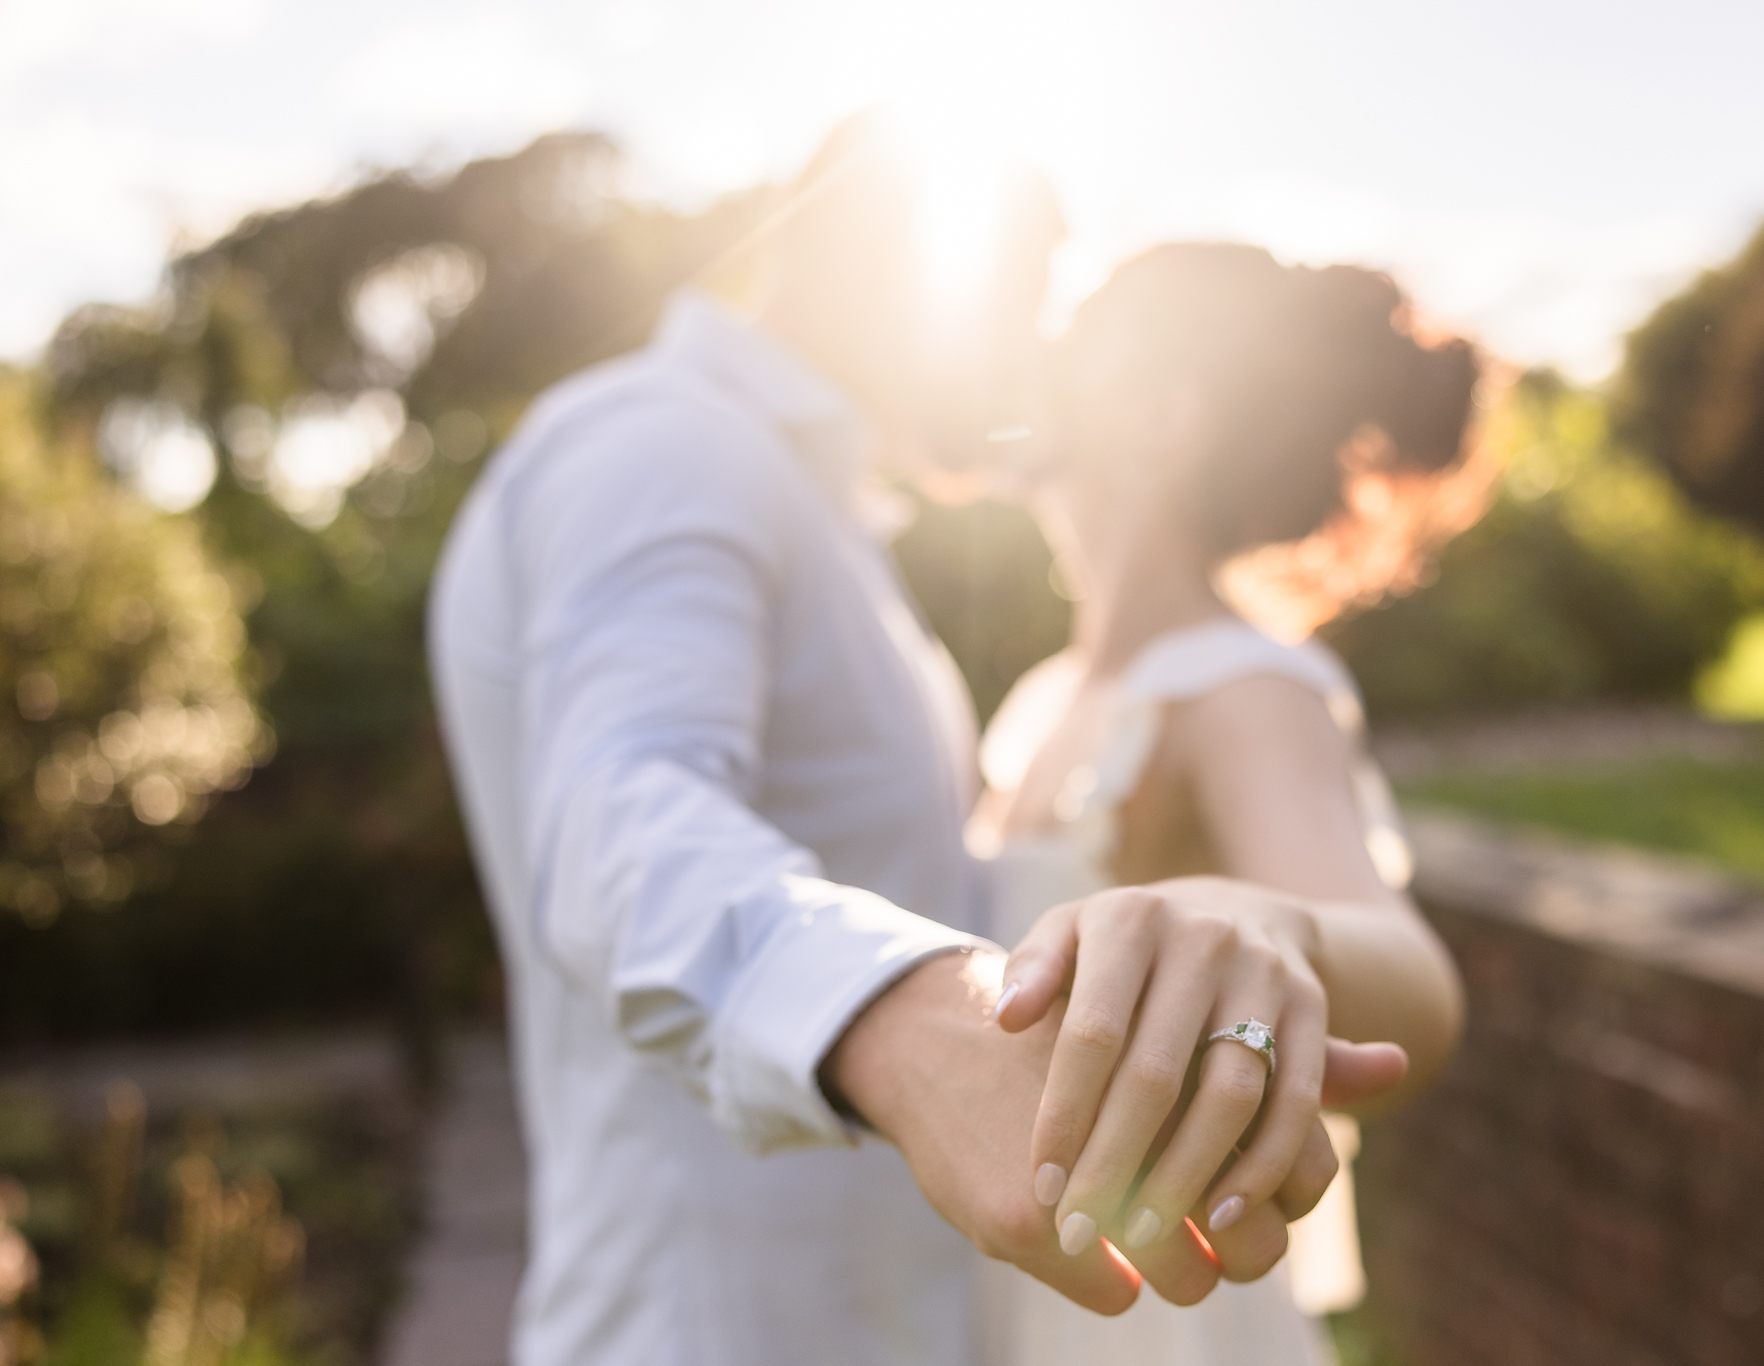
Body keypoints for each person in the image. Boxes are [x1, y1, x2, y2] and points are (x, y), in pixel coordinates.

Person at [427, 118, 1409, 1366]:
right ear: (896, 259)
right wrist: (898, 1016)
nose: (1037, 353)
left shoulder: (827, 523)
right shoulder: (663, 445)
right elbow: (620, 809)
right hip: (718, 1327)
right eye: (1032, 291)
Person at [970, 242, 1484, 1364]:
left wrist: (1274, 928)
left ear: (1158, 416)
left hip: (1156, 1314)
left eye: (1077, 344)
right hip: (1025, 1279)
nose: (1036, 362)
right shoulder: (1048, 695)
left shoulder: (1240, 692)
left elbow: (1416, 991)